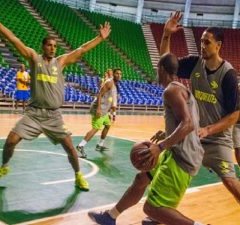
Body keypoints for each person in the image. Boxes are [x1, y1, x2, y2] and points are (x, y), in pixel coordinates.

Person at [0, 0, 111, 191]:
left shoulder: (61, 62)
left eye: (55, 46)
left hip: (54, 116)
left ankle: (78, 175)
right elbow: (14, 39)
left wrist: (100, 38)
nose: (52, 48)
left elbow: (81, 49)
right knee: (10, 141)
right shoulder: (34, 58)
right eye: (49, 45)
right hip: (34, 114)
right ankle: (3, 168)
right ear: (43, 47)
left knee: (70, 148)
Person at [88, 16, 206, 225]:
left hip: (183, 158)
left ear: (160, 69)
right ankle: (110, 217)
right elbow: (184, 122)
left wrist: (160, 146)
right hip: (176, 150)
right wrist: (167, 135)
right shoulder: (176, 87)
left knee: (152, 207)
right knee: (141, 178)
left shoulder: (171, 90)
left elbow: (187, 124)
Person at [158, 12, 240, 225]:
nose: (202, 45)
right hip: (192, 134)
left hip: (217, 139)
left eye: (207, 42)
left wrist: (208, 130)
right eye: (201, 41)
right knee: (165, 168)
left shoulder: (228, 74)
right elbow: (166, 64)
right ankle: (159, 214)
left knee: (231, 181)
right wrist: (166, 35)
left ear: (218, 45)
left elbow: (234, 116)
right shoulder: (194, 64)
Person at [76, 68, 121, 158]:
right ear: (113, 74)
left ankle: (99, 145)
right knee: (95, 128)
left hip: (105, 111)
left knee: (108, 125)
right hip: (99, 108)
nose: (119, 75)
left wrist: (110, 111)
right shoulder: (109, 83)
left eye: (120, 74)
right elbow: (100, 94)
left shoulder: (115, 85)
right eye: (117, 73)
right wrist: (99, 109)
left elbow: (110, 99)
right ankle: (80, 146)